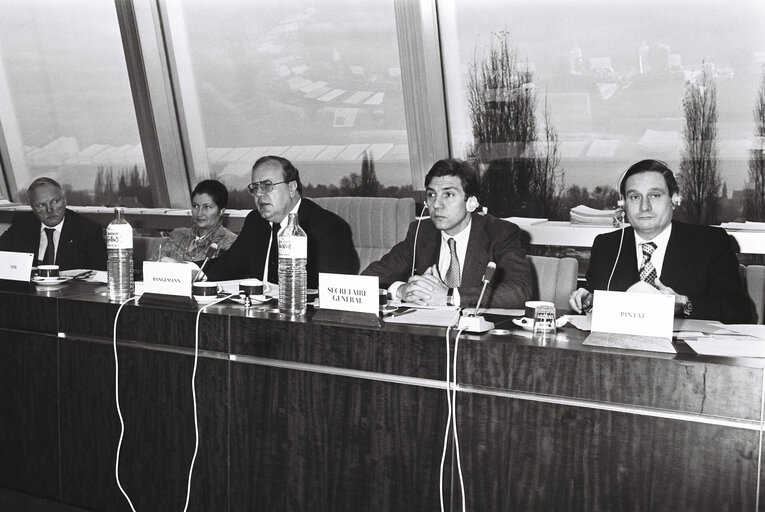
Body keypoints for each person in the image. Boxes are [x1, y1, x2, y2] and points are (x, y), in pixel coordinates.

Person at [569, 159, 751, 323]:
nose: (644, 206)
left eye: (654, 195)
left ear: (673, 199)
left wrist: (684, 304)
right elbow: (594, 304)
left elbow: (738, 311)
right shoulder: (607, 246)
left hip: (683, 356)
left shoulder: (710, 243)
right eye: (634, 197)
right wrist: (587, 301)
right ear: (623, 204)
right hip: (621, 354)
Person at [362, 158, 532, 308]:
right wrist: (401, 290)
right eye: (431, 195)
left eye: (448, 194)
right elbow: (368, 278)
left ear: (471, 202)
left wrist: (450, 296)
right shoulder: (421, 232)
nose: (436, 204)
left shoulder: (500, 233)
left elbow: (519, 291)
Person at [203, 156, 359, 287]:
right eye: (254, 188)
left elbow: (331, 290)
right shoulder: (255, 221)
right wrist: (190, 271)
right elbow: (228, 265)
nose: (259, 195)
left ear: (291, 188)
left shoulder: (329, 228)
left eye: (266, 186)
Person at [0, 177, 106, 270]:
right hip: (29, 290)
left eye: (55, 202)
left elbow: (100, 273)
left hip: (70, 291)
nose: (50, 210)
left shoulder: (87, 230)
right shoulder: (22, 224)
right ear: (32, 207)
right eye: (41, 205)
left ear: (64, 200)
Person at [159, 180, 237, 262]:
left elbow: (220, 273)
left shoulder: (229, 242)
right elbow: (151, 267)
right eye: (195, 206)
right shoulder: (178, 236)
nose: (199, 213)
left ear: (221, 211)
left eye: (206, 207)